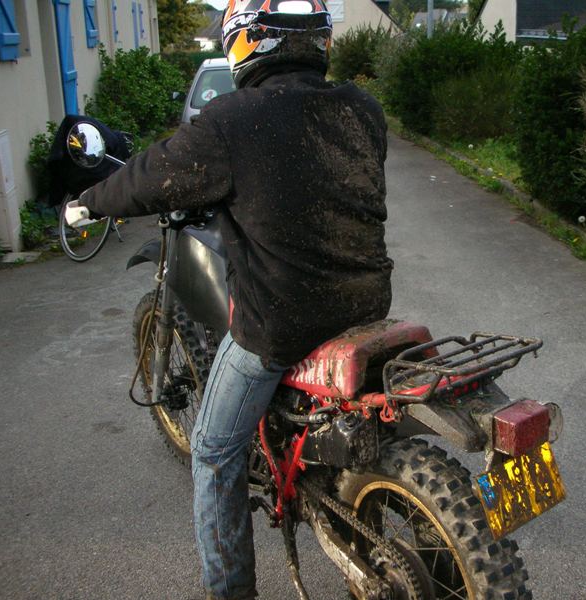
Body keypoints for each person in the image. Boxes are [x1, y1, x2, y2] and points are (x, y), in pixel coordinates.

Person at [67, 0, 393, 597]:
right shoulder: (361, 109)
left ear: (246, 42)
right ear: (317, 41)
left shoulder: (230, 120)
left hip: (283, 322)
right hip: (367, 303)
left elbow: (150, 176)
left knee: (214, 452)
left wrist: (89, 200)